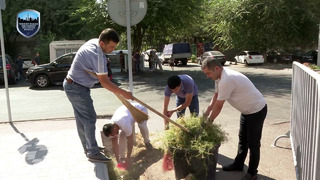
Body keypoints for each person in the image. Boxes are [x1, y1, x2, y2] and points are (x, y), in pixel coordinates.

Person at [63, 28, 133, 163]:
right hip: (77, 88)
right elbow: (105, 83)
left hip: (72, 84)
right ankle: (93, 152)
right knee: (89, 119)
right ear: (102, 44)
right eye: (111, 46)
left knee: (81, 119)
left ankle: (88, 147)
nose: (113, 50)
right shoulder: (98, 56)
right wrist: (125, 93)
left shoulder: (94, 42)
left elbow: (103, 78)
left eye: (115, 47)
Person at [201, 58, 267, 180]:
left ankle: (252, 173)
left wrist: (209, 121)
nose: (207, 76)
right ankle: (238, 164)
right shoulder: (218, 78)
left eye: (208, 73)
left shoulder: (227, 79)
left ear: (216, 68)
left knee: (253, 143)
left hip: (256, 110)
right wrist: (207, 112)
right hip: (246, 111)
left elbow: (219, 105)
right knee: (242, 138)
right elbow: (216, 96)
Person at [102, 103, 153, 168]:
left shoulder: (124, 123)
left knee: (141, 125)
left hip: (139, 110)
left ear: (114, 128)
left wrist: (128, 158)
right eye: (112, 135)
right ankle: (122, 158)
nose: (114, 135)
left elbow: (130, 142)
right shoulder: (110, 128)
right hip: (129, 115)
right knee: (122, 136)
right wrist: (118, 161)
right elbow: (115, 143)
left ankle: (147, 142)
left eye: (113, 134)